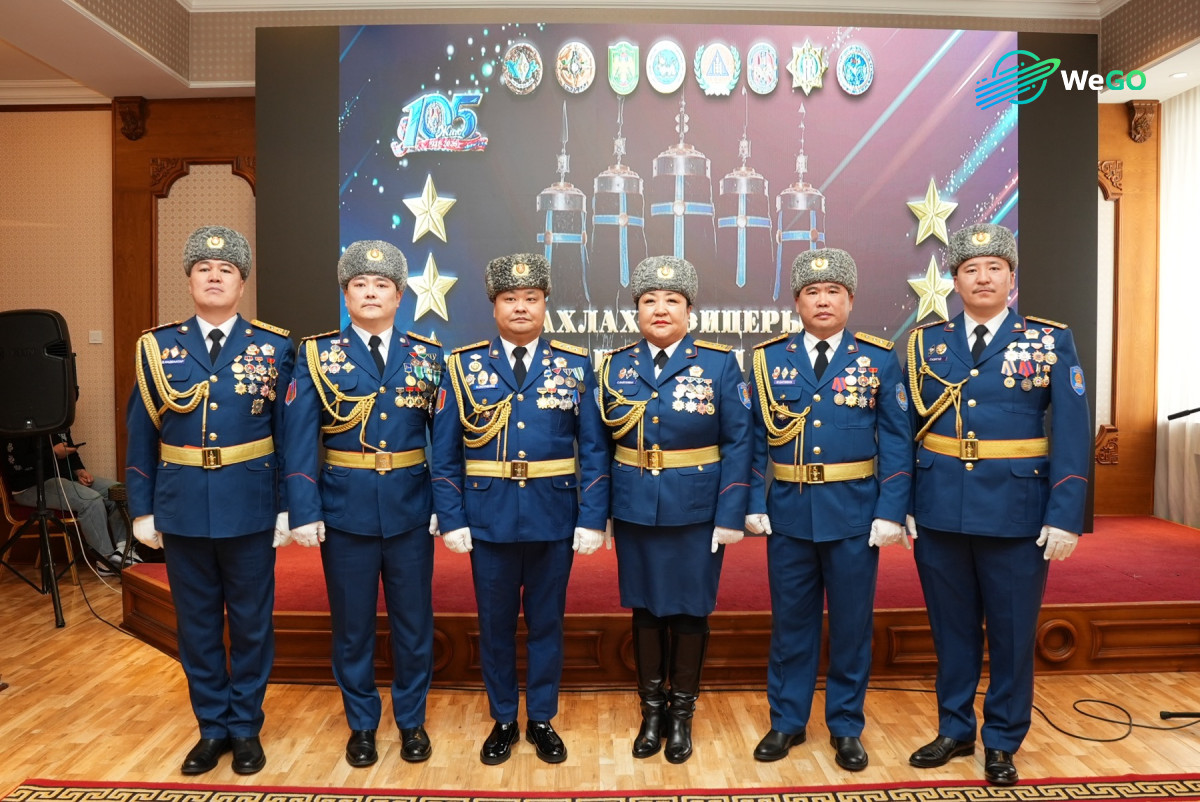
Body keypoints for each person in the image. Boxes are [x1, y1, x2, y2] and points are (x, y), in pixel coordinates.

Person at [904, 223, 1090, 786]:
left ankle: (1003, 739)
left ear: (1012, 277)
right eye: (970, 269)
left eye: (994, 268)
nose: (982, 277)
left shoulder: (1049, 340)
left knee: (1011, 634)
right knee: (951, 629)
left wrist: (1065, 514)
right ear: (955, 281)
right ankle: (955, 729)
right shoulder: (924, 343)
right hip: (939, 507)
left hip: (1017, 510)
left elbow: (1072, 432)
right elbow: (904, 428)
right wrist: (904, 500)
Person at [125, 225, 295, 776]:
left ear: (242, 284)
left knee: (251, 625)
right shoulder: (157, 348)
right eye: (204, 269)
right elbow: (141, 433)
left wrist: (288, 505)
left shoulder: (274, 347)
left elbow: (289, 435)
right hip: (182, 507)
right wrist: (142, 508)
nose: (215, 276)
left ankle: (245, 727)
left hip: (250, 504)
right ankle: (211, 728)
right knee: (196, 627)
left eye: (226, 270)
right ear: (190, 280)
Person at [430, 253, 610, 766]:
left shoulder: (575, 364)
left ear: (545, 303)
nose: (521, 307)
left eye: (531, 298)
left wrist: (592, 517)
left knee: (548, 623)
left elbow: (594, 448)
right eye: (510, 298)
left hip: (554, 517)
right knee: (495, 626)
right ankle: (505, 718)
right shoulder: (462, 367)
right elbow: (444, 452)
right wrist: (453, 516)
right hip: (488, 519)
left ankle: (543, 718)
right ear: (494, 306)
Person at [745, 248, 913, 771]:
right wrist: (752, 501)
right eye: (812, 292)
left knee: (851, 626)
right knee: (790, 624)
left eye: (833, 291)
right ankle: (787, 721)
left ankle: (845, 726)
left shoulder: (878, 358)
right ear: (797, 302)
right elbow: (751, 441)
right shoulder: (767, 360)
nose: (823, 300)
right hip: (790, 512)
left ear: (850, 300)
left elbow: (897, 440)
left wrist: (891, 509)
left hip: (854, 515)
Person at [283, 240, 442, 768]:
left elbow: (443, 442)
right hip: (344, 510)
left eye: (382, 285)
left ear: (399, 296)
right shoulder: (316, 354)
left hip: (411, 508)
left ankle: (412, 721)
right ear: (346, 295)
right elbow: (300, 440)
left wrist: (445, 505)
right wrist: (303, 508)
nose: (371, 293)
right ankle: (362, 725)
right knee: (352, 628)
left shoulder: (427, 355)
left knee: (413, 626)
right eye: (360, 284)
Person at [597, 255, 751, 764]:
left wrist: (730, 513)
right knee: (644, 608)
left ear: (690, 311)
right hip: (636, 506)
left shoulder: (720, 364)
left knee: (690, 609)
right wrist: (600, 514)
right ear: (636, 311)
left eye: (672, 300)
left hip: (697, 510)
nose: (660, 309)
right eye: (649, 300)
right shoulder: (615, 366)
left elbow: (739, 442)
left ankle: (682, 714)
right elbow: (598, 446)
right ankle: (651, 712)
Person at [3, 428, 132, 573]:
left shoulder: (60, 419)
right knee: (90, 500)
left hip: (65, 479)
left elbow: (70, 451)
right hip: (30, 486)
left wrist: (80, 471)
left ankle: (124, 552)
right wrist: (53, 453)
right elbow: (17, 463)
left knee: (119, 492)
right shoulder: (18, 422)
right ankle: (105, 561)